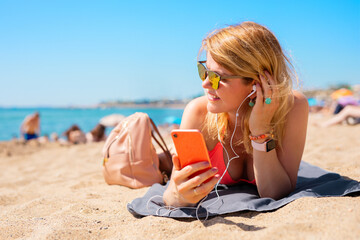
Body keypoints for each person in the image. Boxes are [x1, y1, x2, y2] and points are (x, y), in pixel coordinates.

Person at [163, 22, 309, 207]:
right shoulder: (198, 112)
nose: (205, 84)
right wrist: (179, 195)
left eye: (218, 78)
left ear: (257, 83)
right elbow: (171, 196)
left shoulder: (293, 107)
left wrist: (260, 131)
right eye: (204, 71)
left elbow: (275, 192)